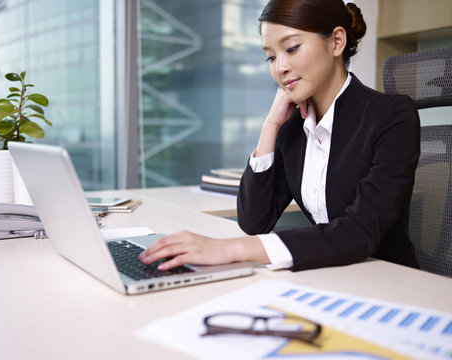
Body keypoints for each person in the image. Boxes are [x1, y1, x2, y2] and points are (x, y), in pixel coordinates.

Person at [140, 0, 420, 272]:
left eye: (292, 48)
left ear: (336, 41)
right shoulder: (294, 131)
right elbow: (254, 222)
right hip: (330, 275)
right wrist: (271, 126)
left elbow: (359, 233)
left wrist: (229, 248)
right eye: (271, 57)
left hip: (388, 281)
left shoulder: (392, 116)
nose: (279, 68)